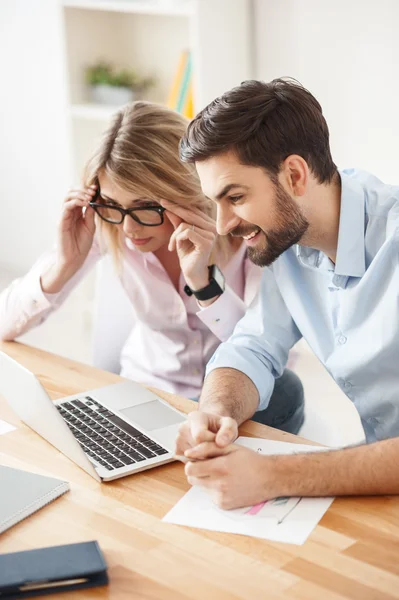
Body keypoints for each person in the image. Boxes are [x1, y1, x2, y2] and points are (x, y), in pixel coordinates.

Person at [0, 101, 303, 431]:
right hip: (146, 392)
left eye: (146, 206)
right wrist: (64, 263)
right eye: (114, 204)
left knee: (285, 393)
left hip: (232, 400)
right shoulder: (110, 225)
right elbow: (5, 323)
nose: (130, 230)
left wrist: (204, 283)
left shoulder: (248, 233)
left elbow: (269, 354)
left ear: (185, 189)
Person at [174, 78, 399, 510]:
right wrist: (217, 411)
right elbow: (253, 346)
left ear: (294, 175)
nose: (222, 225)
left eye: (235, 196)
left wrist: (274, 475)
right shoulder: (288, 242)